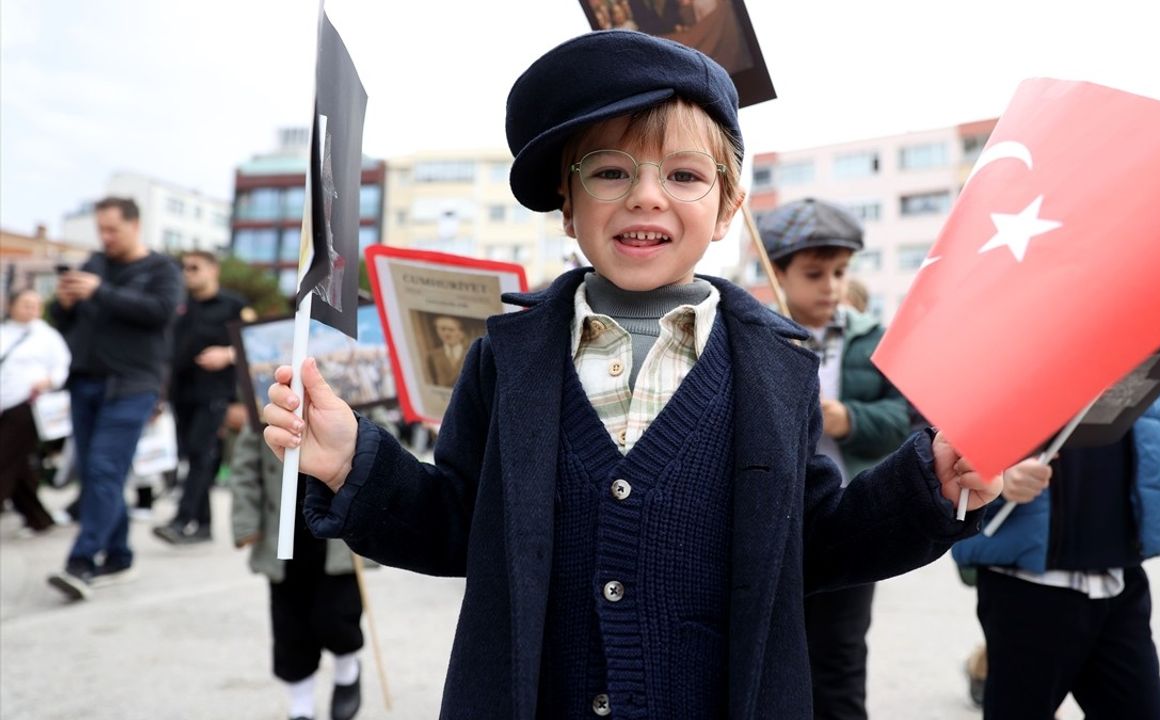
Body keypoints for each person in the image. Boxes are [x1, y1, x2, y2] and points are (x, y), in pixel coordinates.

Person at [261, 30, 1002, 719]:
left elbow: (813, 543)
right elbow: (458, 523)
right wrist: (356, 462)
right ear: (566, 205)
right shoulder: (504, 359)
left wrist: (925, 485)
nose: (646, 195)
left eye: (684, 174)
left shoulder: (780, 369)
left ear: (726, 208)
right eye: (610, 171)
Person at [952, 386, 1160, 719]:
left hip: (1119, 585)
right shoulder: (1004, 352)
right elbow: (941, 443)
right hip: (1026, 591)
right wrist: (996, 478)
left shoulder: (1131, 352)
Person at [759, 198, 908, 720]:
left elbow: (906, 420)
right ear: (777, 273)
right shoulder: (754, 337)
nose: (831, 286)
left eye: (840, 272)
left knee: (841, 663)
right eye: (814, 273)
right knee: (770, 661)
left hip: (849, 520)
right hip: (773, 526)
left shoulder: (874, 340)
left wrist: (848, 419)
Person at [46, 196, 183, 601]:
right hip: (85, 382)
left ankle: (82, 562)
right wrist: (65, 303)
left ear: (134, 225)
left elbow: (161, 311)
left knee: (105, 469)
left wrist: (101, 292)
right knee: (94, 473)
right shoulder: (94, 264)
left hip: (132, 385)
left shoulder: (162, 269)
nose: (105, 237)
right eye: (101, 229)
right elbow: (65, 320)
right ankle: (120, 555)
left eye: (113, 230)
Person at [229, 425, 363, 720]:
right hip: (282, 527)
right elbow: (246, 468)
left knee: (339, 613)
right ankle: (300, 705)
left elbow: (381, 432)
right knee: (290, 623)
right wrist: (246, 521)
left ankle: (347, 669)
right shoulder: (267, 394)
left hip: (336, 528)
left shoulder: (346, 384)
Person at [153, 250, 250, 545]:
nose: (188, 273)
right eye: (185, 268)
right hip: (181, 393)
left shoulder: (234, 305)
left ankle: (183, 520)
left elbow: (256, 343)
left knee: (200, 453)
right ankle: (204, 524)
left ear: (213, 270)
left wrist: (228, 354)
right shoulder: (180, 305)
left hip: (215, 393)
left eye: (195, 267)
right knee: (194, 456)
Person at [0, 288, 71, 536]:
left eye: (35, 305)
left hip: (28, 405)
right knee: (18, 466)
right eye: (25, 304)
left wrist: (48, 381)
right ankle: (38, 518)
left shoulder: (46, 336)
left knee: (4, 458)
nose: (31, 309)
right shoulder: (5, 332)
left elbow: (62, 367)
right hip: (4, 404)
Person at [425, 315, 467, 388]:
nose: (447, 334)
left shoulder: (472, 353)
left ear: (461, 332)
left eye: (451, 330)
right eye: (443, 329)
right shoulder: (432, 356)